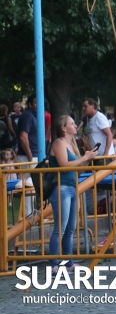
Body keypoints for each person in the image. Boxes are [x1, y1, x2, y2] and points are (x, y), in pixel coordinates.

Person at [48, 115, 96, 272]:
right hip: (61, 187)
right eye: (72, 124)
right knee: (60, 228)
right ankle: (54, 263)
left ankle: (68, 262)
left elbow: (77, 168)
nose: (76, 126)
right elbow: (65, 165)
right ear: (63, 128)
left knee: (70, 228)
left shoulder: (72, 143)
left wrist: (87, 159)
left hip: (73, 187)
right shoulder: (58, 143)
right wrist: (84, 158)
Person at [16, 94, 39, 164]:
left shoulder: (35, 116)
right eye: (36, 102)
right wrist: (30, 157)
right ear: (30, 104)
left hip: (34, 155)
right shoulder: (28, 115)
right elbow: (23, 137)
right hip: (27, 157)